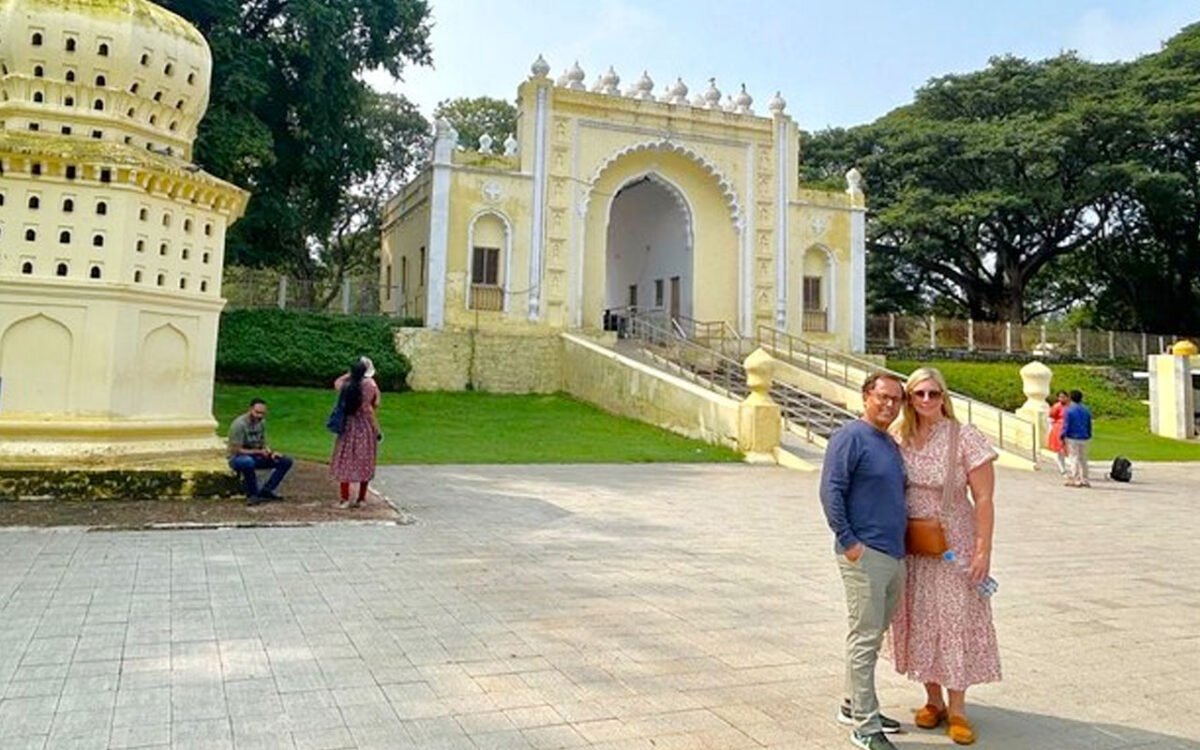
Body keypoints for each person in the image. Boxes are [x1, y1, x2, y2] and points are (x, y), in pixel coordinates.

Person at [889, 367, 1000, 746]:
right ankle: (932, 699)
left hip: (955, 543)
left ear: (943, 397)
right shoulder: (899, 436)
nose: (926, 400)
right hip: (914, 543)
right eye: (918, 393)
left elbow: (984, 498)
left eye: (933, 393)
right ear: (909, 398)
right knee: (921, 619)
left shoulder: (964, 436)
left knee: (954, 620)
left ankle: (958, 708)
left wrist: (983, 549)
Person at [820, 372, 908, 750]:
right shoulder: (850, 437)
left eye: (896, 399)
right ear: (866, 396)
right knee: (865, 637)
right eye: (882, 397)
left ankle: (853, 703)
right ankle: (865, 726)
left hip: (892, 553)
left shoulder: (888, 442)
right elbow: (831, 490)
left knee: (871, 637)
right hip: (864, 553)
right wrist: (849, 542)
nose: (889, 404)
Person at [330, 357, 381, 509]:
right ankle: (361, 498)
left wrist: (350, 374)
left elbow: (337, 383)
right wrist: (377, 429)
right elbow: (372, 406)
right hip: (364, 426)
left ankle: (344, 499)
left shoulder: (348, 385)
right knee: (365, 460)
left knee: (345, 459)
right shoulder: (370, 385)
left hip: (348, 426)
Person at [228, 397, 293, 504]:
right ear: (250, 410)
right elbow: (236, 450)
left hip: (255, 455)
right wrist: (258, 452)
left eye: (262, 413)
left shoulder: (261, 423)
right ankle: (252, 494)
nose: (260, 416)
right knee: (247, 462)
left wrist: (270, 452)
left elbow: (263, 443)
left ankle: (267, 490)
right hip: (238, 458)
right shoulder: (239, 425)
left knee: (285, 461)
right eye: (257, 412)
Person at [1062, 389, 1093, 488]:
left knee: (1074, 458)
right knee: (1083, 459)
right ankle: (1085, 479)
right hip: (1084, 437)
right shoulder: (1086, 410)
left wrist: (1062, 435)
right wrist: (1089, 434)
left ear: (1070, 398)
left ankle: (1076, 479)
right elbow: (1089, 424)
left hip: (1072, 437)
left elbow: (1066, 425)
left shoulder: (1069, 410)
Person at [1046, 390, 1070, 476]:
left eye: (1063, 397)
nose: (1061, 399)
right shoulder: (1056, 407)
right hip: (1058, 430)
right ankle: (1062, 469)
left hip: (1068, 429)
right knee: (1060, 450)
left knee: (1069, 450)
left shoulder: (1070, 406)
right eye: (1060, 397)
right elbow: (1051, 418)